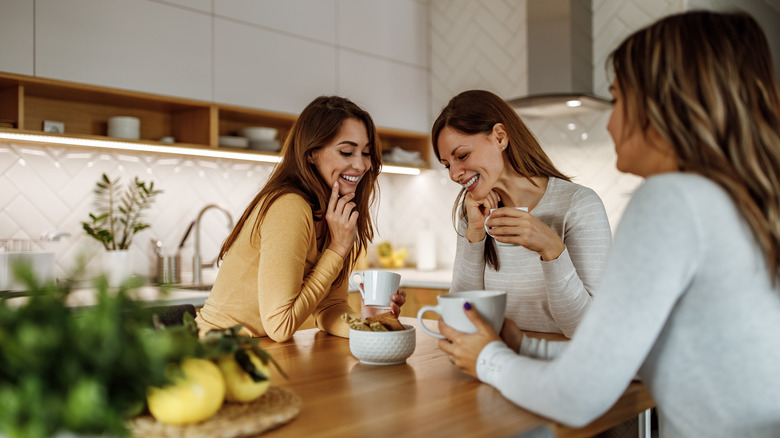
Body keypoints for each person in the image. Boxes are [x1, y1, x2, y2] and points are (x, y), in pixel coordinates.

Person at [438, 10, 780, 437]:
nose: (611, 121)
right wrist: (522, 346)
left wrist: (488, 358)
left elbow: (579, 396)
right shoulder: (736, 201)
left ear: (663, 103)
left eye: (618, 100)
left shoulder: (672, 200)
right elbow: (631, 360)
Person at [196, 96, 406, 342]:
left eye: (367, 153)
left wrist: (369, 328)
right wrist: (338, 248)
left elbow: (330, 307)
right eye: (347, 152)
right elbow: (280, 326)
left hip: (256, 350)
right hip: (212, 349)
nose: (361, 165)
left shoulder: (336, 214)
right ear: (311, 154)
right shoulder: (290, 207)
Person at [432, 89, 612, 337]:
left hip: (563, 368)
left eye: (462, 156)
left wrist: (551, 249)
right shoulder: (475, 214)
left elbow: (587, 329)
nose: (454, 174)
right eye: (447, 165)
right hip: (495, 364)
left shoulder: (579, 204)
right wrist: (474, 235)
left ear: (499, 137)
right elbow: (464, 319)